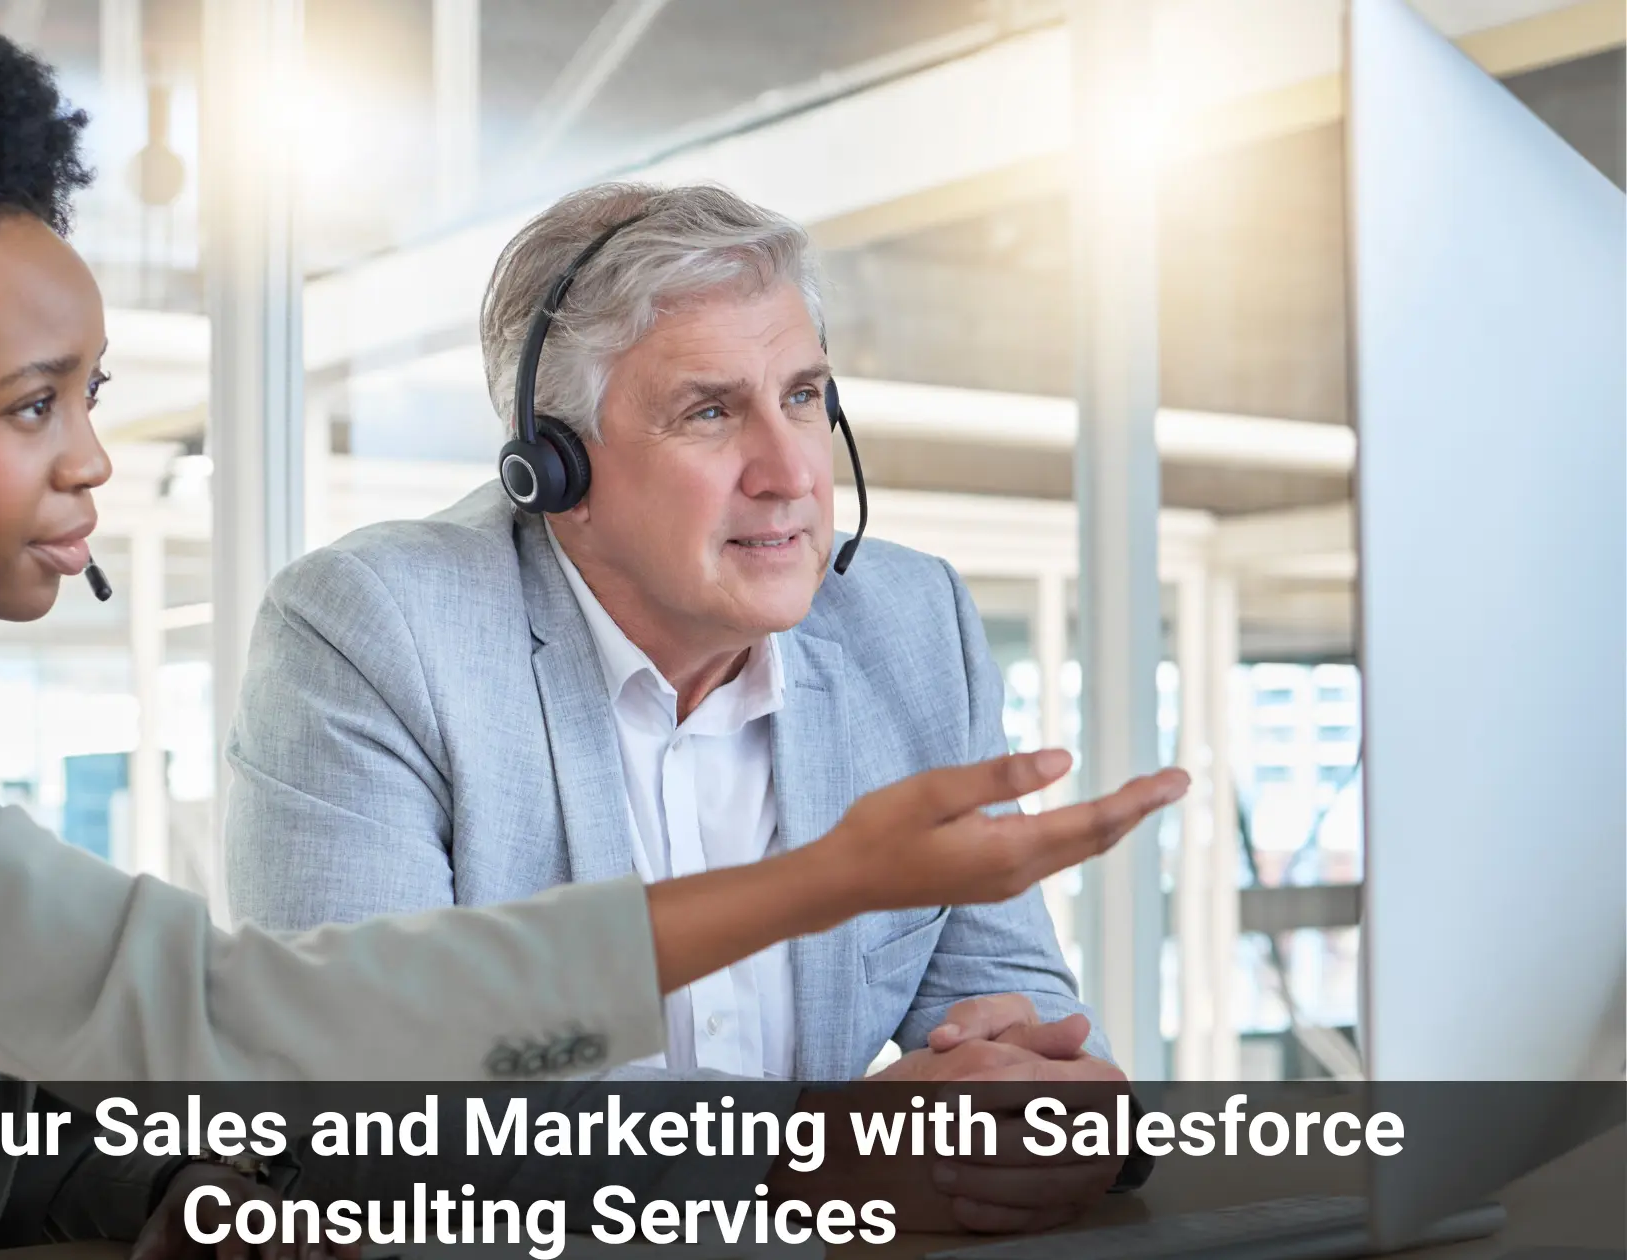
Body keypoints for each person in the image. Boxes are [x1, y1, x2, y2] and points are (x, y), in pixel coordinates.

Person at [0, 4, 1184, 1255]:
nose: (93, 458)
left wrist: (183, 1199)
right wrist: (826, 890)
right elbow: (224, 1015)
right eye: (31, 406)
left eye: (90, 393)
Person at [225, 182, 1156, 1234]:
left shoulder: (908, 623)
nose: (791, 470)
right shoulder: (373, 631)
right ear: (553, 466)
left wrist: (1056, 1118)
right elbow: (361, 1129)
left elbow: (1010, 1003)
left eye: (803, 397)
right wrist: (802, 1172)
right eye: (710, 412)